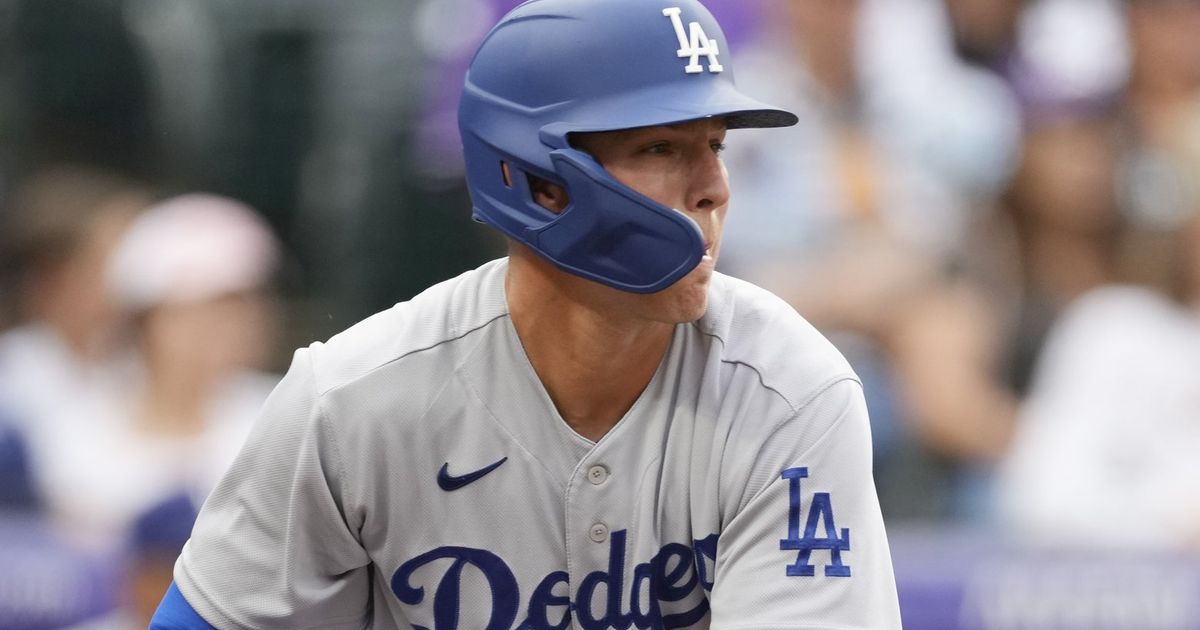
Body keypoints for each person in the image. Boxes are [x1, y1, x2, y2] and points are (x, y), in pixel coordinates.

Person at [150, 0, 902, 628]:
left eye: (716, 144)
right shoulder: (349, 402)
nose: (714, 187)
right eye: (665, 147)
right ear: (541, 183)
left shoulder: (790, 393)